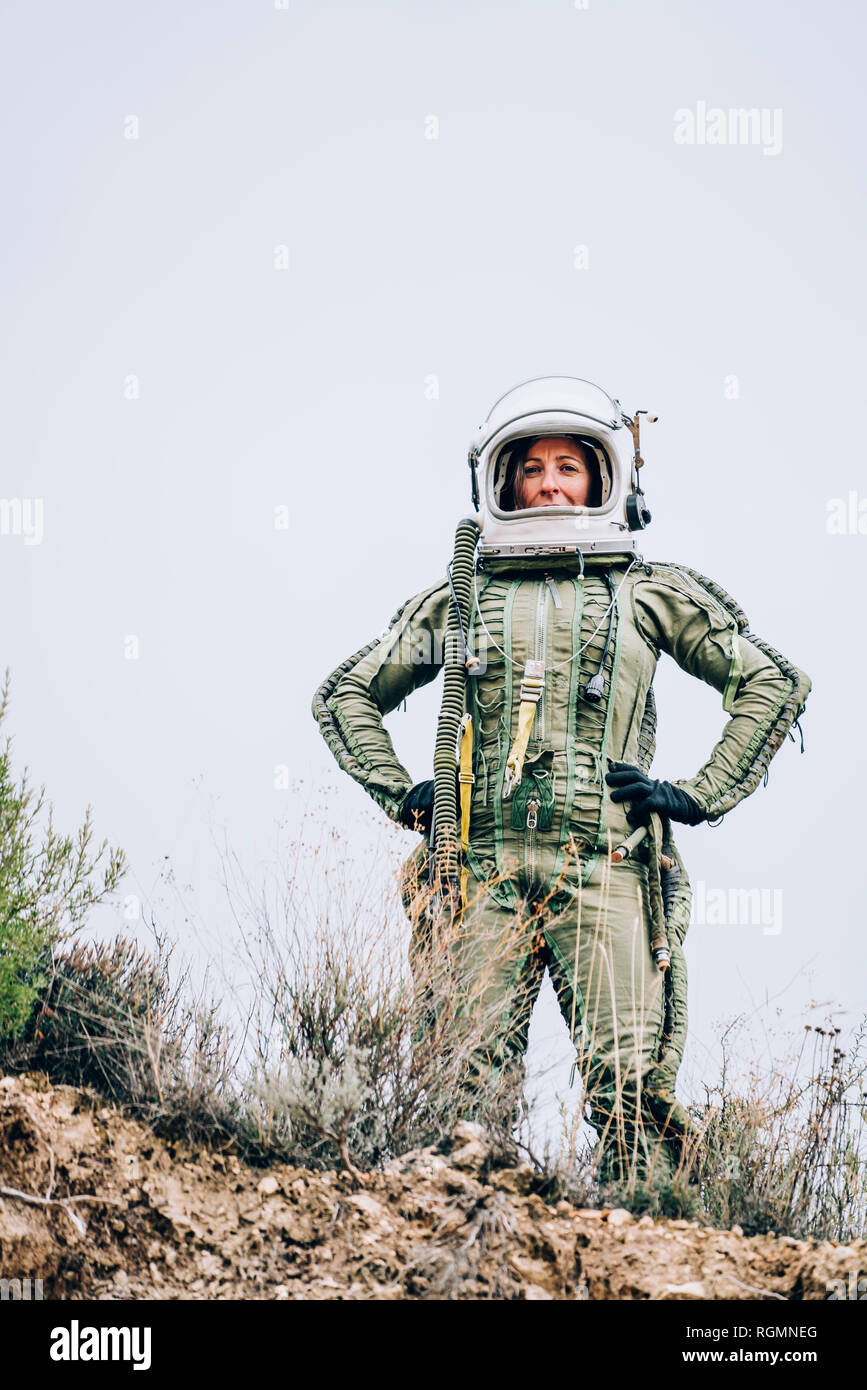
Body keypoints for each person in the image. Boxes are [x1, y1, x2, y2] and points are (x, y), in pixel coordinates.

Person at [312, 377, 811, 1184]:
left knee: (629, 1089)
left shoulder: (647, 593)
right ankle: (463, 1244)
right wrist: (405, 791)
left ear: (604, 479)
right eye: (532, 468)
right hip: (475, 873)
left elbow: (771, 682)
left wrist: (693, 794)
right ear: (501, 483)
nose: (549, 483)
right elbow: (345, 694)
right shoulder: (459, 601)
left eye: (569, 467)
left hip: (607, 870)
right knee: (459, 1085)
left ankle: (643, 1240)